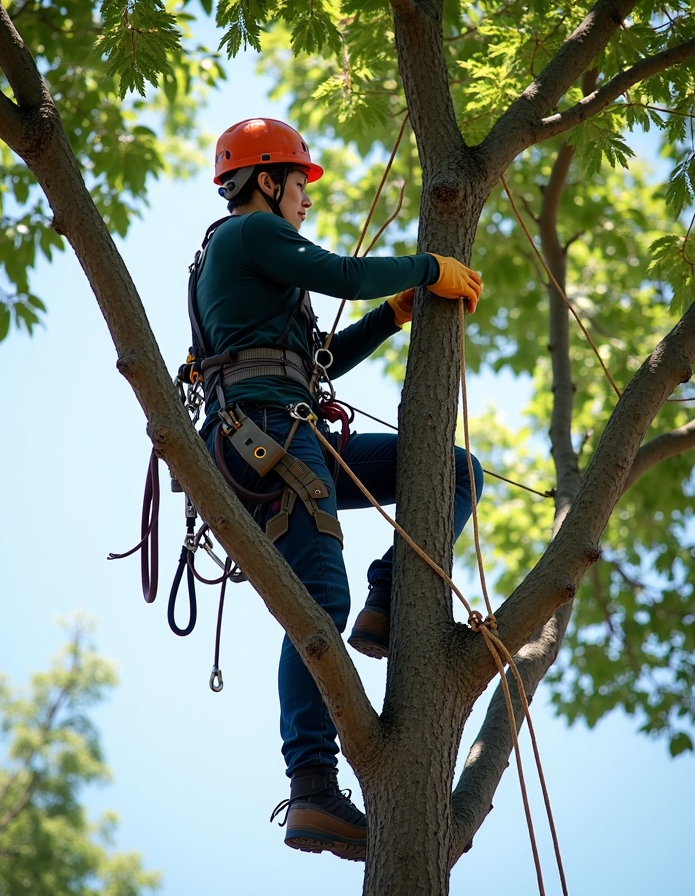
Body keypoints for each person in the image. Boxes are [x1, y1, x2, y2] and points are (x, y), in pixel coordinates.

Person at [191, 118, 484, 861]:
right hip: (268, 439)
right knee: (319, 603)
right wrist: (423, 268)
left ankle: (391, 593)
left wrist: (391, 317)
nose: (304, 199)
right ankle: (312, 787)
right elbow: (346, 275)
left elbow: (320, 366)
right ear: (265, 181)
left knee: (457, 471)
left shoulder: (257, 258)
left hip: (289, 429)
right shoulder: (248, 235)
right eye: (298, 183)